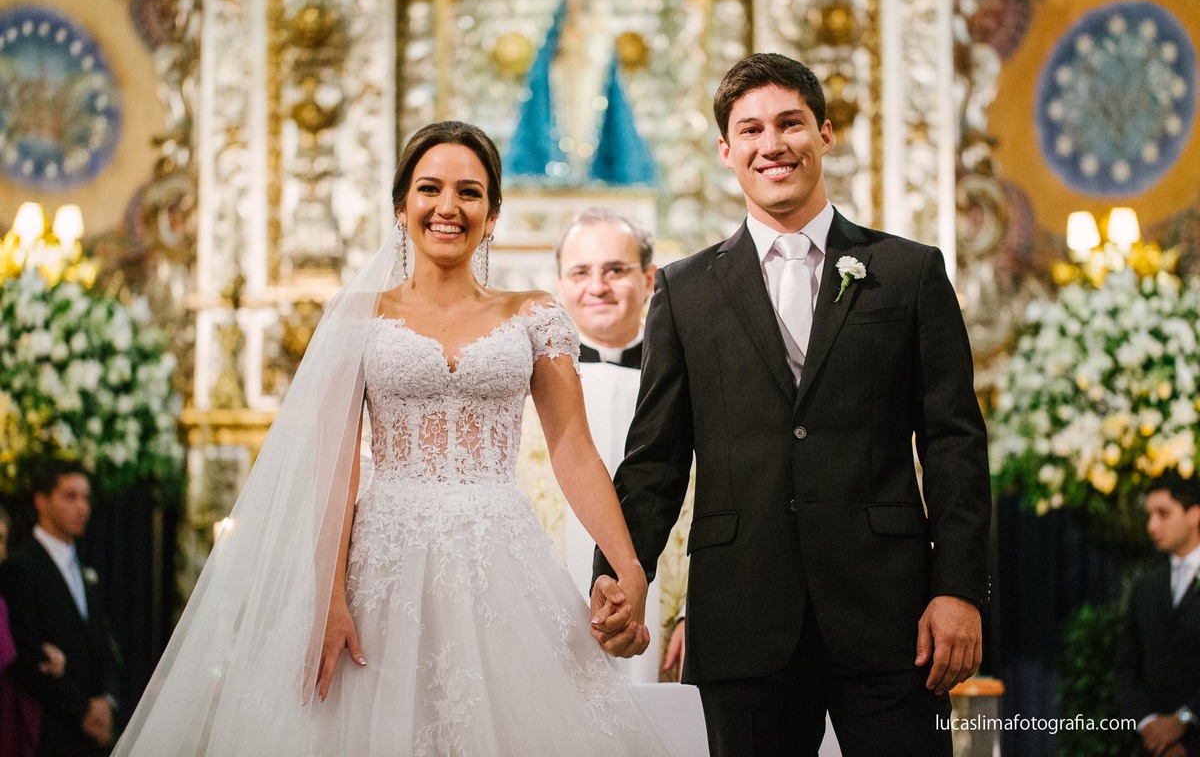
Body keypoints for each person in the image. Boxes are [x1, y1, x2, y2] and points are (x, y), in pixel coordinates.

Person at [110, 121, 678, 756]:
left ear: (491, 214)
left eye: (469, 192)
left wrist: (628, 565)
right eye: (430, 189)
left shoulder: (535, 314)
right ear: (402, 206)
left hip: (501, 551)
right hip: (384, 558)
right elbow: (337, 465)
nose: (448, 207)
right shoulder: (360, 317)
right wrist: (327, 599)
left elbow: (573, 446)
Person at [591, 52, 992, 757]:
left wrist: (958, 589)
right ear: (726, 150)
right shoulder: (684, 292)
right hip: (742, 616)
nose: (771, 145)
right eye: (750, 131)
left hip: (891, 615)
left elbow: (953, 442)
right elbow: (653, 459)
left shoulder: (908, 272)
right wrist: (619, 574)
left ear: (825, 134)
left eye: (790, 124)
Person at [552, 208, 676, 683]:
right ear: (560, 285)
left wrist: (692, 610)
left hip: (668, 605)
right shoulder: (526, 382)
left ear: (648, 279)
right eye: (580, 273)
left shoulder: (686, 371)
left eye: (615, 270)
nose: (597, 286)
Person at [0, 464, 115, 757]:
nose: (82, 507)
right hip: (50, 732)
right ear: (41, 501)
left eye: (86, 498)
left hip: (93, 733)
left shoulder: (86, 569)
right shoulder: (20, 567)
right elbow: (25, 654)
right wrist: (82, 712)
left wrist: (106, 701)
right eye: (70, 496)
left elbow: (100, 644)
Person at [1116, 471, 1200, 757]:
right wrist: (1151, 725)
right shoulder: (1145, 583)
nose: (1152, 525)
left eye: (1163, 513)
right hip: (1152, 747)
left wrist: (1185, 720)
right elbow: (1127, 666)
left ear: (1194, 515)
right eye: (1149, 514)